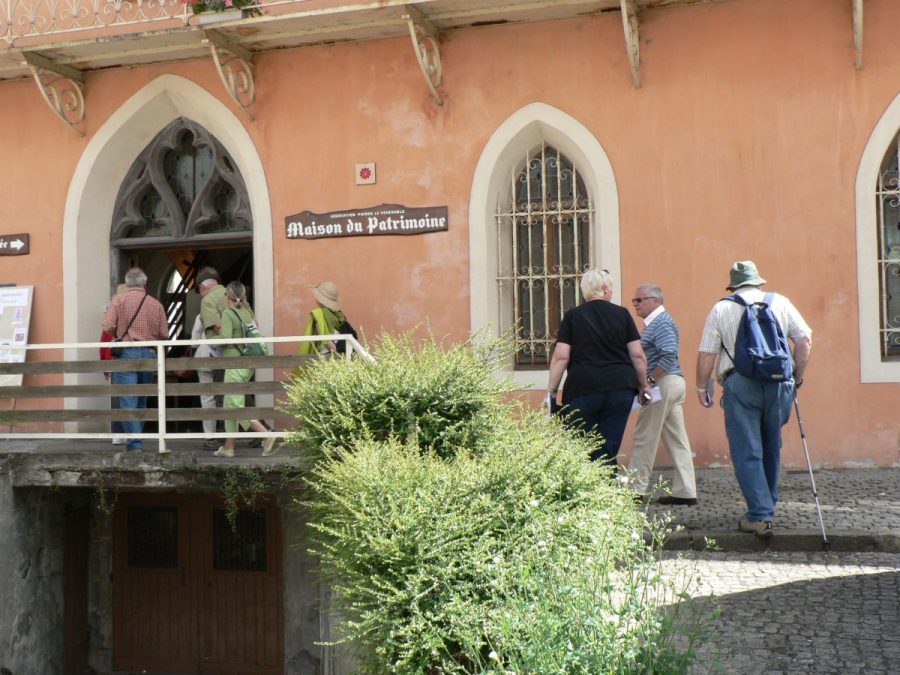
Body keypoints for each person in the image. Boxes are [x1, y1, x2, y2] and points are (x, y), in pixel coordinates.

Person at [696, 260, 812, 538]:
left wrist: (702, 387)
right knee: (772, 443)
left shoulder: (722, 307)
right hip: (779, 384)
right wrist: (796, 378)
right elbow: (805, 340)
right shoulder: (780, 302)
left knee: (747, 449)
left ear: (733, 284)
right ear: (759, 282)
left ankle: (760, 515)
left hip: (741, 383)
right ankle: (767, 504)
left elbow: (707, 354)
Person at [547, 268, 652, 464]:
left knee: (582, 446)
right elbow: (637, 355)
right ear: (604, 288)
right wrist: (643, 385)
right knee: (609, 447)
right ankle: (608, 488)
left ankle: (588, 490)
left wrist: (552, 391)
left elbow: (561, 357)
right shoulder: (622, 314)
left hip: (582, 388)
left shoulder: (573, 316)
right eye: (610, 288)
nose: (611, 292)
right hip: (619, 389)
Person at [627, 284, 698, 505]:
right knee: (677, 439)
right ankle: (686, 491)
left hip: (663, 384)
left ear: (655, 300)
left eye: (639, 300)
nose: (635, 304)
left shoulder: (661, 322)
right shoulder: (658, 323)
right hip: (672, 383)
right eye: (634, 301)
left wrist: (648, 381)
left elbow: (668, 355)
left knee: (645, 435)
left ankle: (634, 489)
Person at [101, 268, 168, 451]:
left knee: (128, 400)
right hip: (149, 353)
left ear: (128, 283)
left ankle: (135, 444)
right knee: (142, 400)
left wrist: (119, 335)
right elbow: (164, 333)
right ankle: (137, 439)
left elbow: (107, 325)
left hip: (126, 352)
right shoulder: (156, 304)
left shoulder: (118, 301)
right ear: (144, 283)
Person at [212, 281, 277, 458]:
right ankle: (229, 447)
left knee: (234, 407)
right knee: (229, 406)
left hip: (234, 364)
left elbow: (225, 338)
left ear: (228, 296)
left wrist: (212, 338)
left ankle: (265, 434)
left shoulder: (227, 313)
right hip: (247, 363)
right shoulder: (247, 313)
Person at [197, 267, 227, 450]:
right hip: (238, 353)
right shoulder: (234, 294)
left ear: (203, 288)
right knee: (237, 393)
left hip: (214, 354)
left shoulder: (208, 301)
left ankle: (213, 437)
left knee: (211, 396)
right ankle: (260, 431)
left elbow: (216, 328)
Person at [100, 283, 128, 445]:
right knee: (130, 397)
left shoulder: (111, 313)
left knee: (119, 398)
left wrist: (105, 365)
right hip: (126, 358)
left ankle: (119, 433)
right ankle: (129, 432)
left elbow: (104, 340)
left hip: (115, 359)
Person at [298, 281, 349, 355]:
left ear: (319, 299)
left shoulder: (319, 314)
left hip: (327, 355)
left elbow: (325, 340)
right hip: (342, 352)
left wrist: (339, 356)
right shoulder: (339, 314)